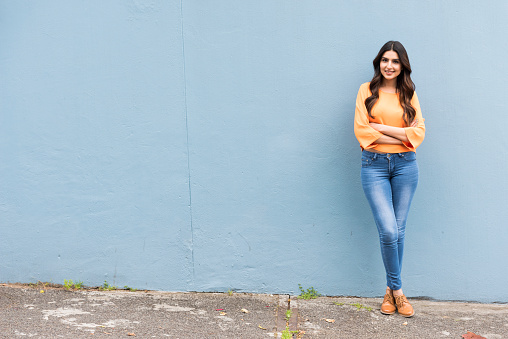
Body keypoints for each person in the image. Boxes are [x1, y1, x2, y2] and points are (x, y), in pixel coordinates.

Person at [354, 41, 425, 317]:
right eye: (385, 60)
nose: (389, 65)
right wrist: (401, 133)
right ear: (378, 62)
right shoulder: (366, 91)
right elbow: (363, 133)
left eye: (395, 61)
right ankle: (398, 292)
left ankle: (388, 291)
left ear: (402, 65)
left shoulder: (409, 92)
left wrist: (380, 127)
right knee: (389, 231)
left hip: (406, 166)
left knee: (399, 229)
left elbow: (417, 135)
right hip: (373, 166)